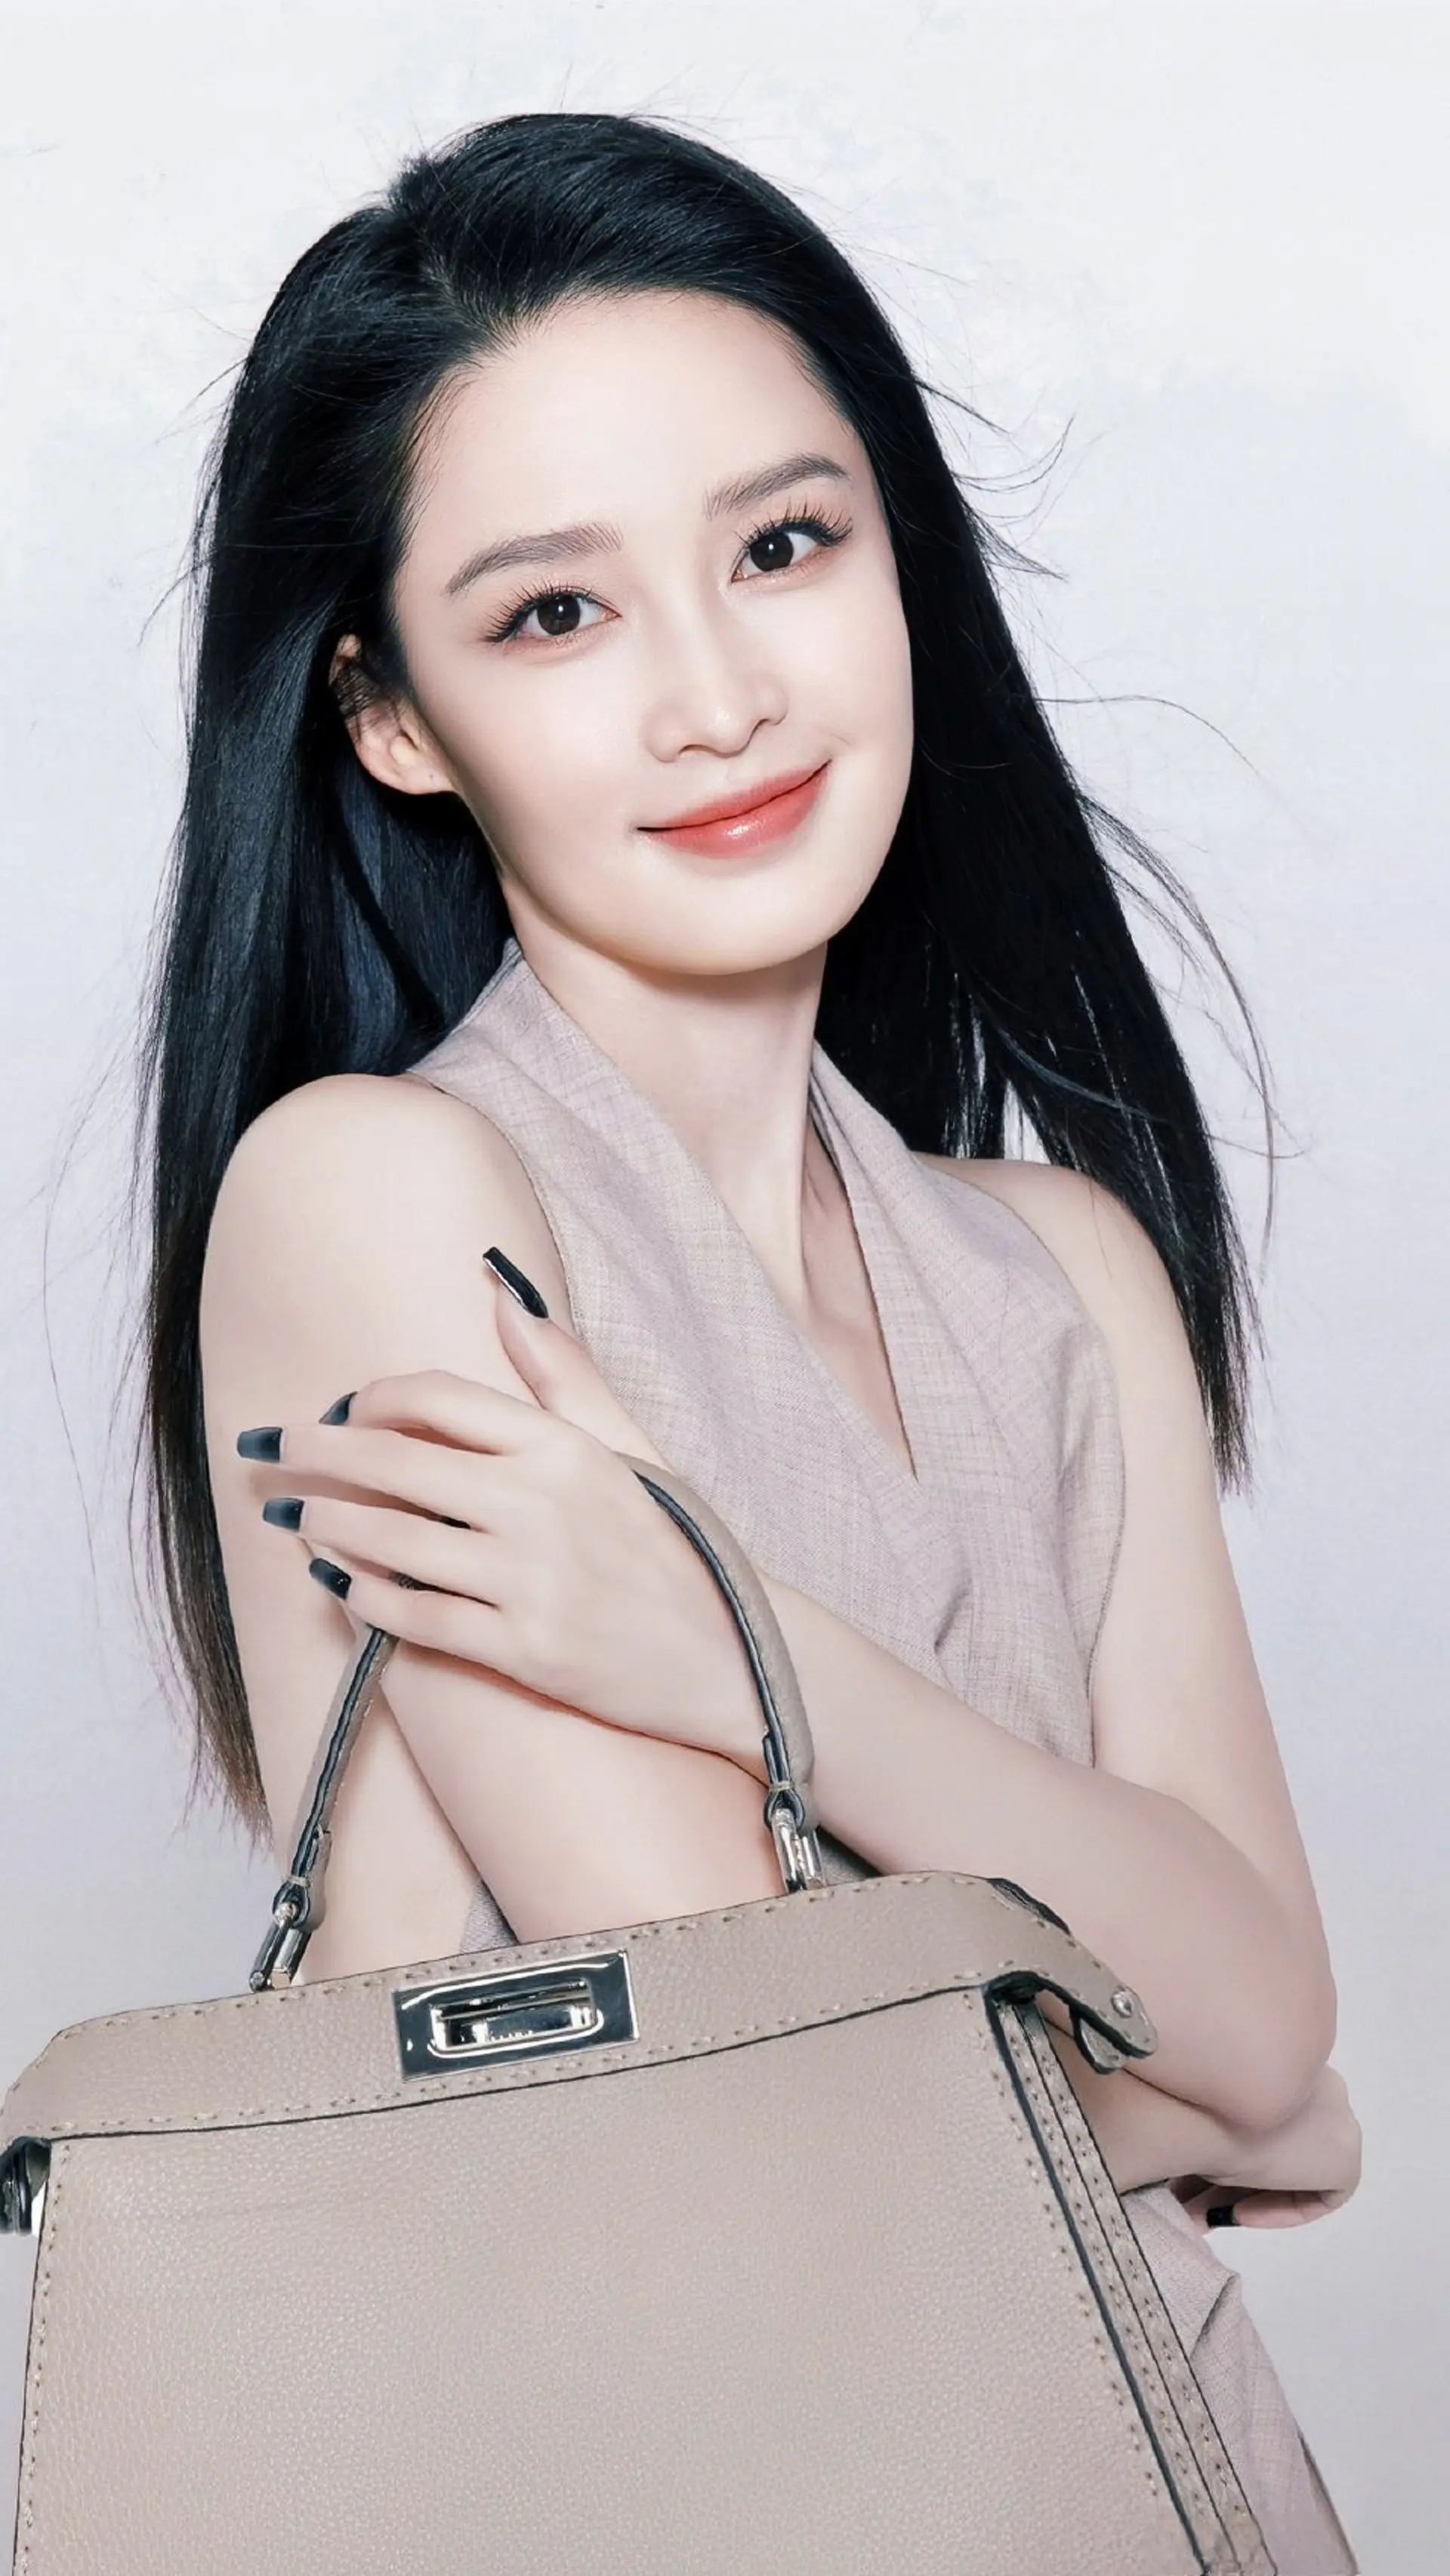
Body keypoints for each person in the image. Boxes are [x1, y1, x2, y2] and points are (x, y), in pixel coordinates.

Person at [137, 111, 1359, 2570]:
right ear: (392, 713)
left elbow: (1270, 2015)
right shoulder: (381, 1195)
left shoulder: (1059, 1270)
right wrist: (1226, 2100)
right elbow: (805, 2111)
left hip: (1177, 2482)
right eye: (553, 614)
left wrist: (739, 1646)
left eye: (784, 545)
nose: (718, 695)